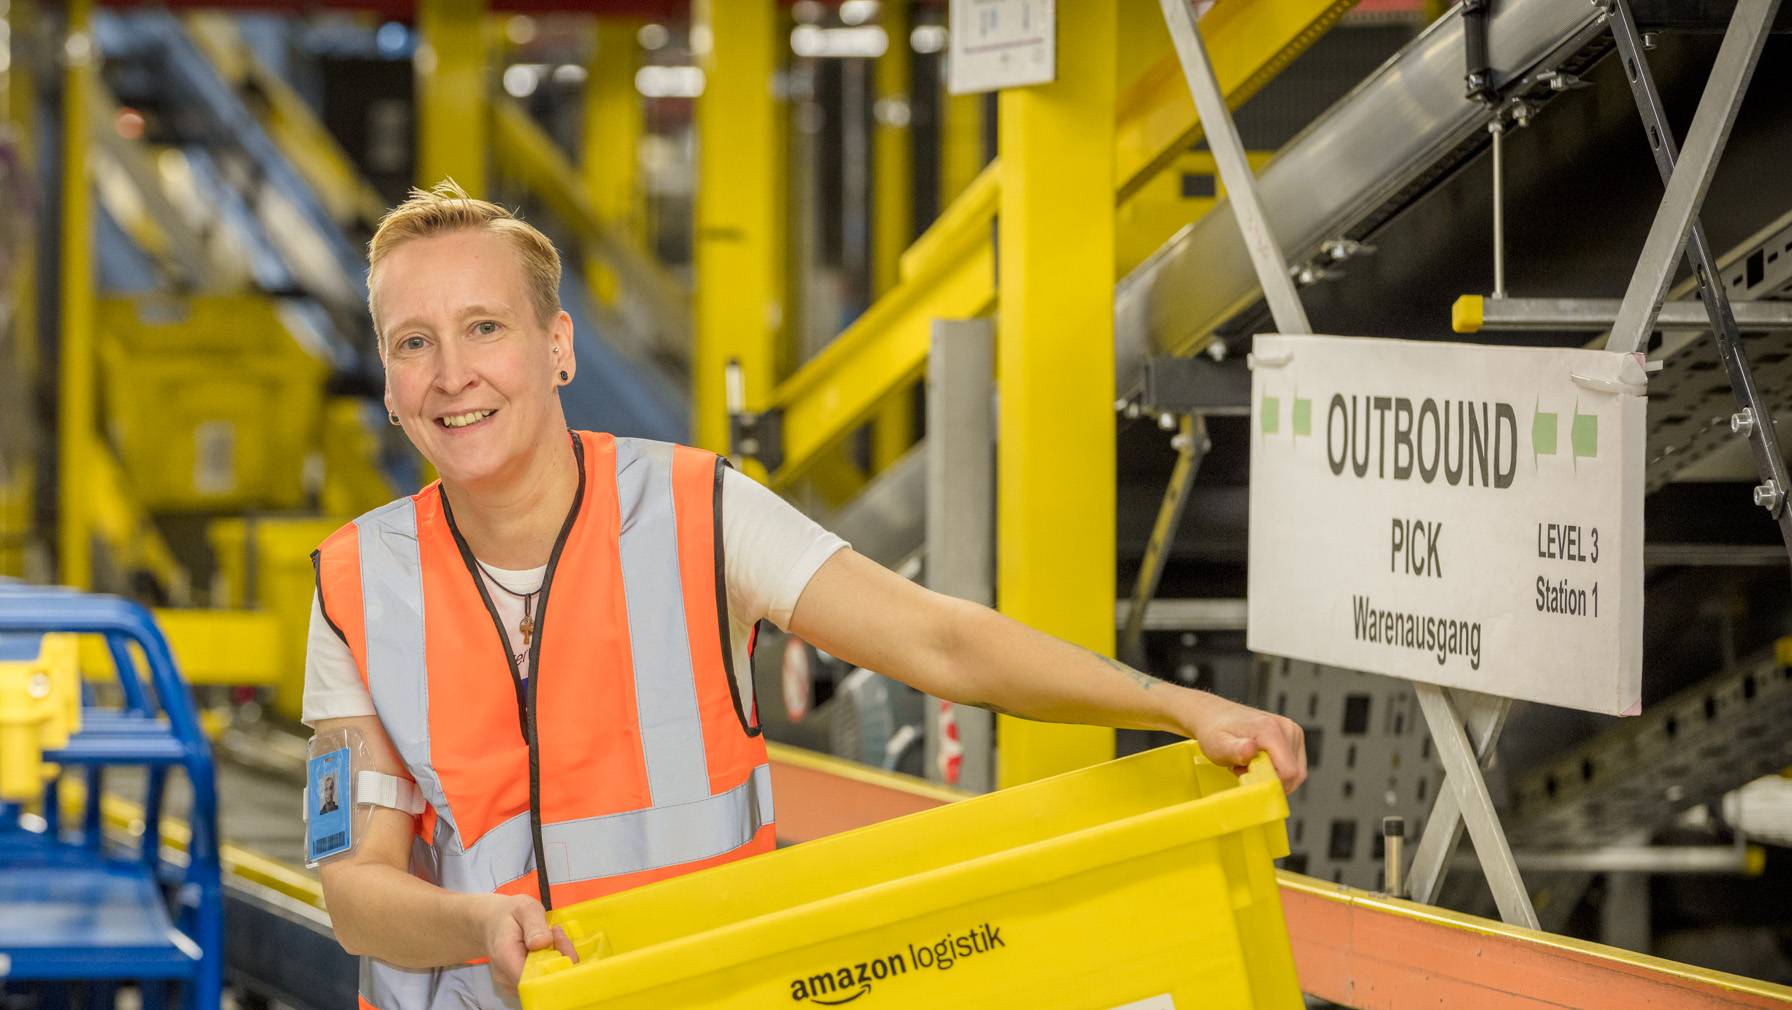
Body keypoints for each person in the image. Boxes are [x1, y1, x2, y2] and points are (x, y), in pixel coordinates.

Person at [305, 182, 1307, 1010]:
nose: (451, 375)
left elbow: (942, 642)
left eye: (484, 327)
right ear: (388, 383)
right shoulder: (356, 583)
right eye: (412, 342)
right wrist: (479, 925)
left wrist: (1174, 704)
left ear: (558, 345)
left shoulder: (699, 513)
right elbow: (357, 890)